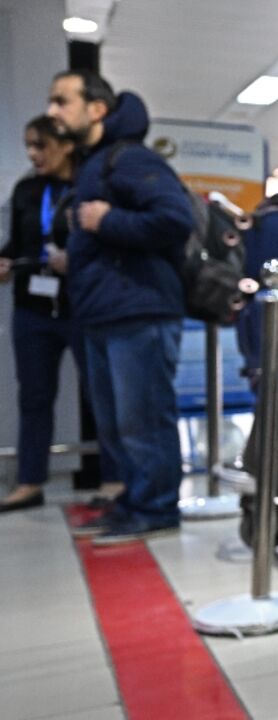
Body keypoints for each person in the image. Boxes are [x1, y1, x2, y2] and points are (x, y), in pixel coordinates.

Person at [46, 70, 193, 545]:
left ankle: (156, 507)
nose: (53, 112)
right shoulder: (96, 163)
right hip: (105, 312)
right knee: (117, 424)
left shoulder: (128, 159)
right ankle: (134, 500)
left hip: (139, 311)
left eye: (61, 101)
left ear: (96, 109)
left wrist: (109, 220)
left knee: (142, 419)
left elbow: (175, 218)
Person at [0, 117, 80, 512]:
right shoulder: (26, 190)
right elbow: (17, 242)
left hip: (79, 306)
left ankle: (117, 481)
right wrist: (5, 260)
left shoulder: (86, 187)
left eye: (41, 145)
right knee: (34, 397)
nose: (33, 154)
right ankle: (30, 482)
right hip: (32, 307)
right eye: (29, 145)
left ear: (65, 145)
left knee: (102, 394)